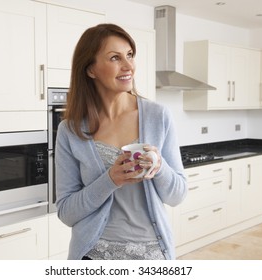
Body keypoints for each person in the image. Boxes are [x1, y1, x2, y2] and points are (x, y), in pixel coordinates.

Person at [55, 23, 187, 260]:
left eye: (130, 55)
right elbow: (66, 212)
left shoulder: (158, 116)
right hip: (93, 255)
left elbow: (177, 196)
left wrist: (159, 167)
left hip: (151, 254)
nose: (128, 66)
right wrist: (110, 180)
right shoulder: (70, 130)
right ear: (91, 69)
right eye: (115, 57)